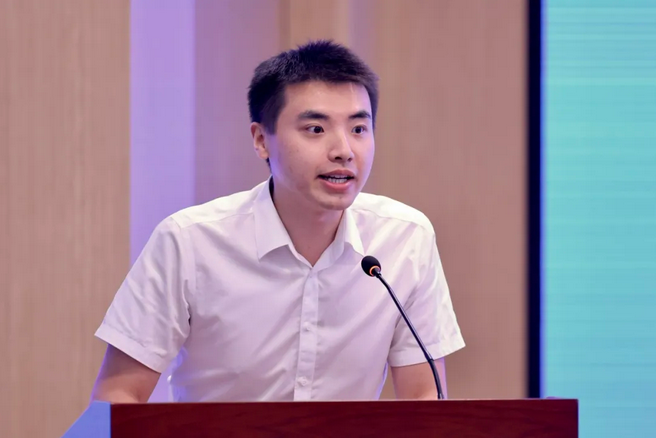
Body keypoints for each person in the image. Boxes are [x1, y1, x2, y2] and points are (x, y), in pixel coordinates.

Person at [90, 40, 464, 403]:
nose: (344, 151)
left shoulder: (405, 238)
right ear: (261, 140)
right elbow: (117, 398)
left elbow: (425, 399)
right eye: (316, 129)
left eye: (358, 129)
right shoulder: (188, 242)